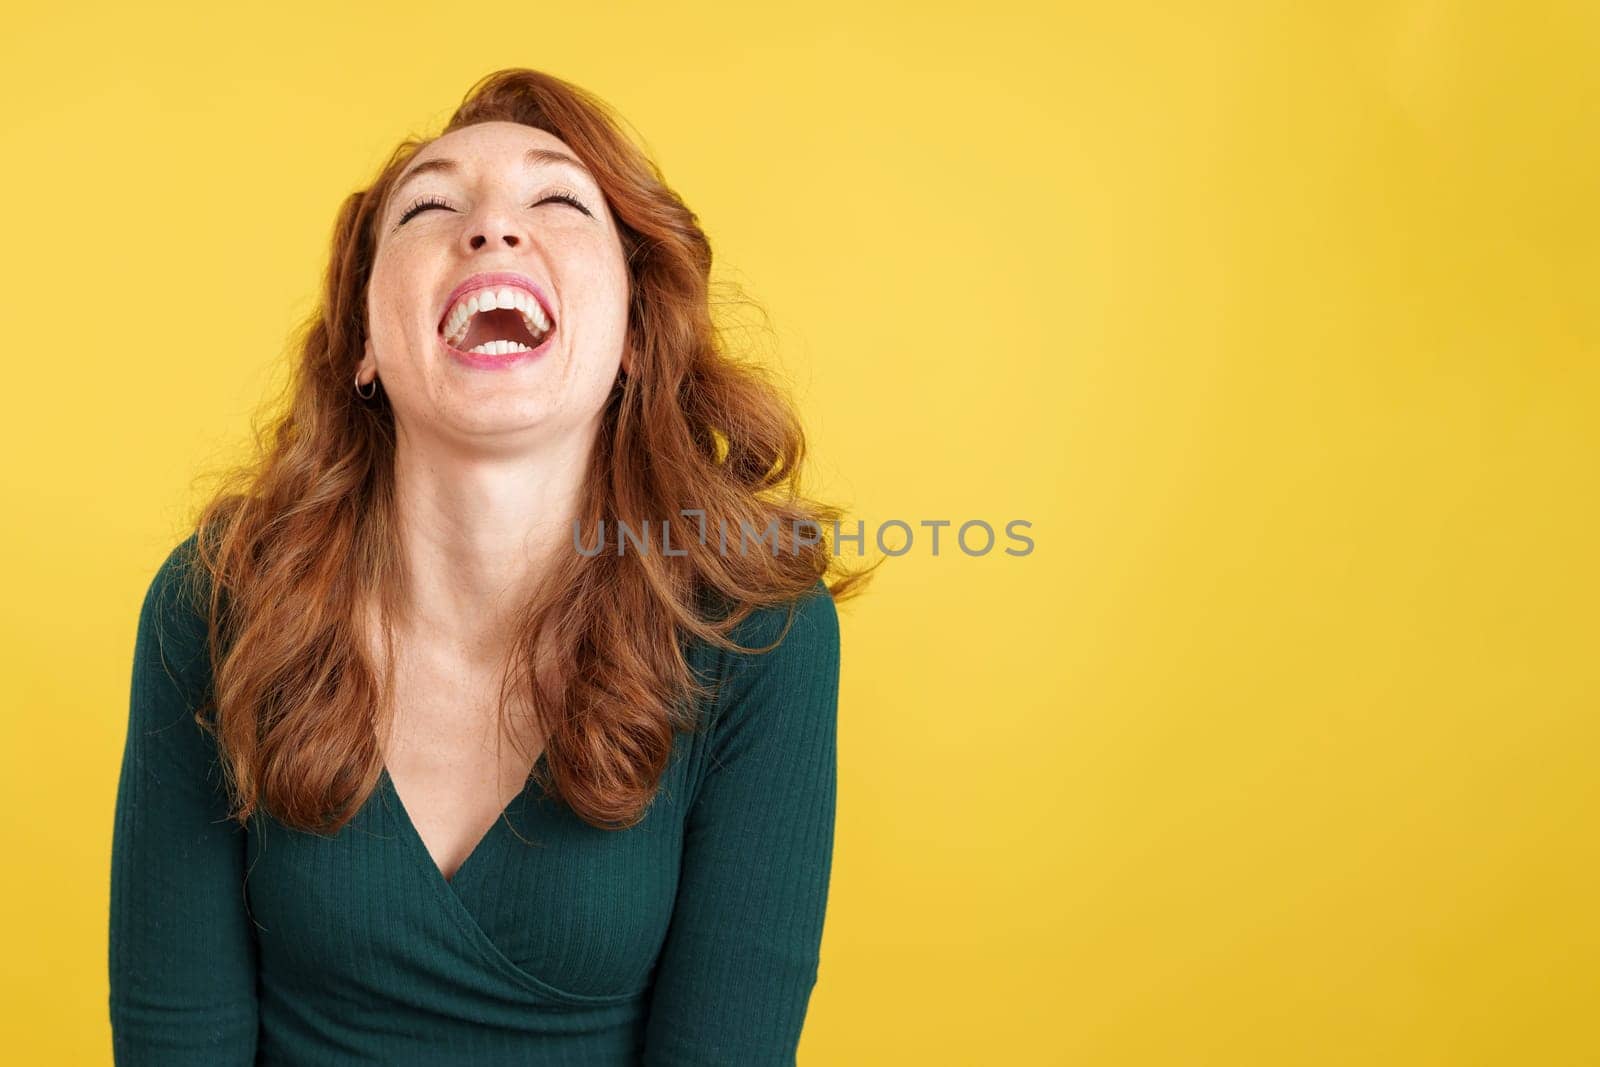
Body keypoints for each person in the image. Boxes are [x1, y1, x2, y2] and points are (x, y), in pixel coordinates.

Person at [109, 67, 875, 1066]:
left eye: (556, 200)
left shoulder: (756, 627)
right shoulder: (216, 600)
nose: (492, 229)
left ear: (636, 334)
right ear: (362, 347)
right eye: (429, 207)